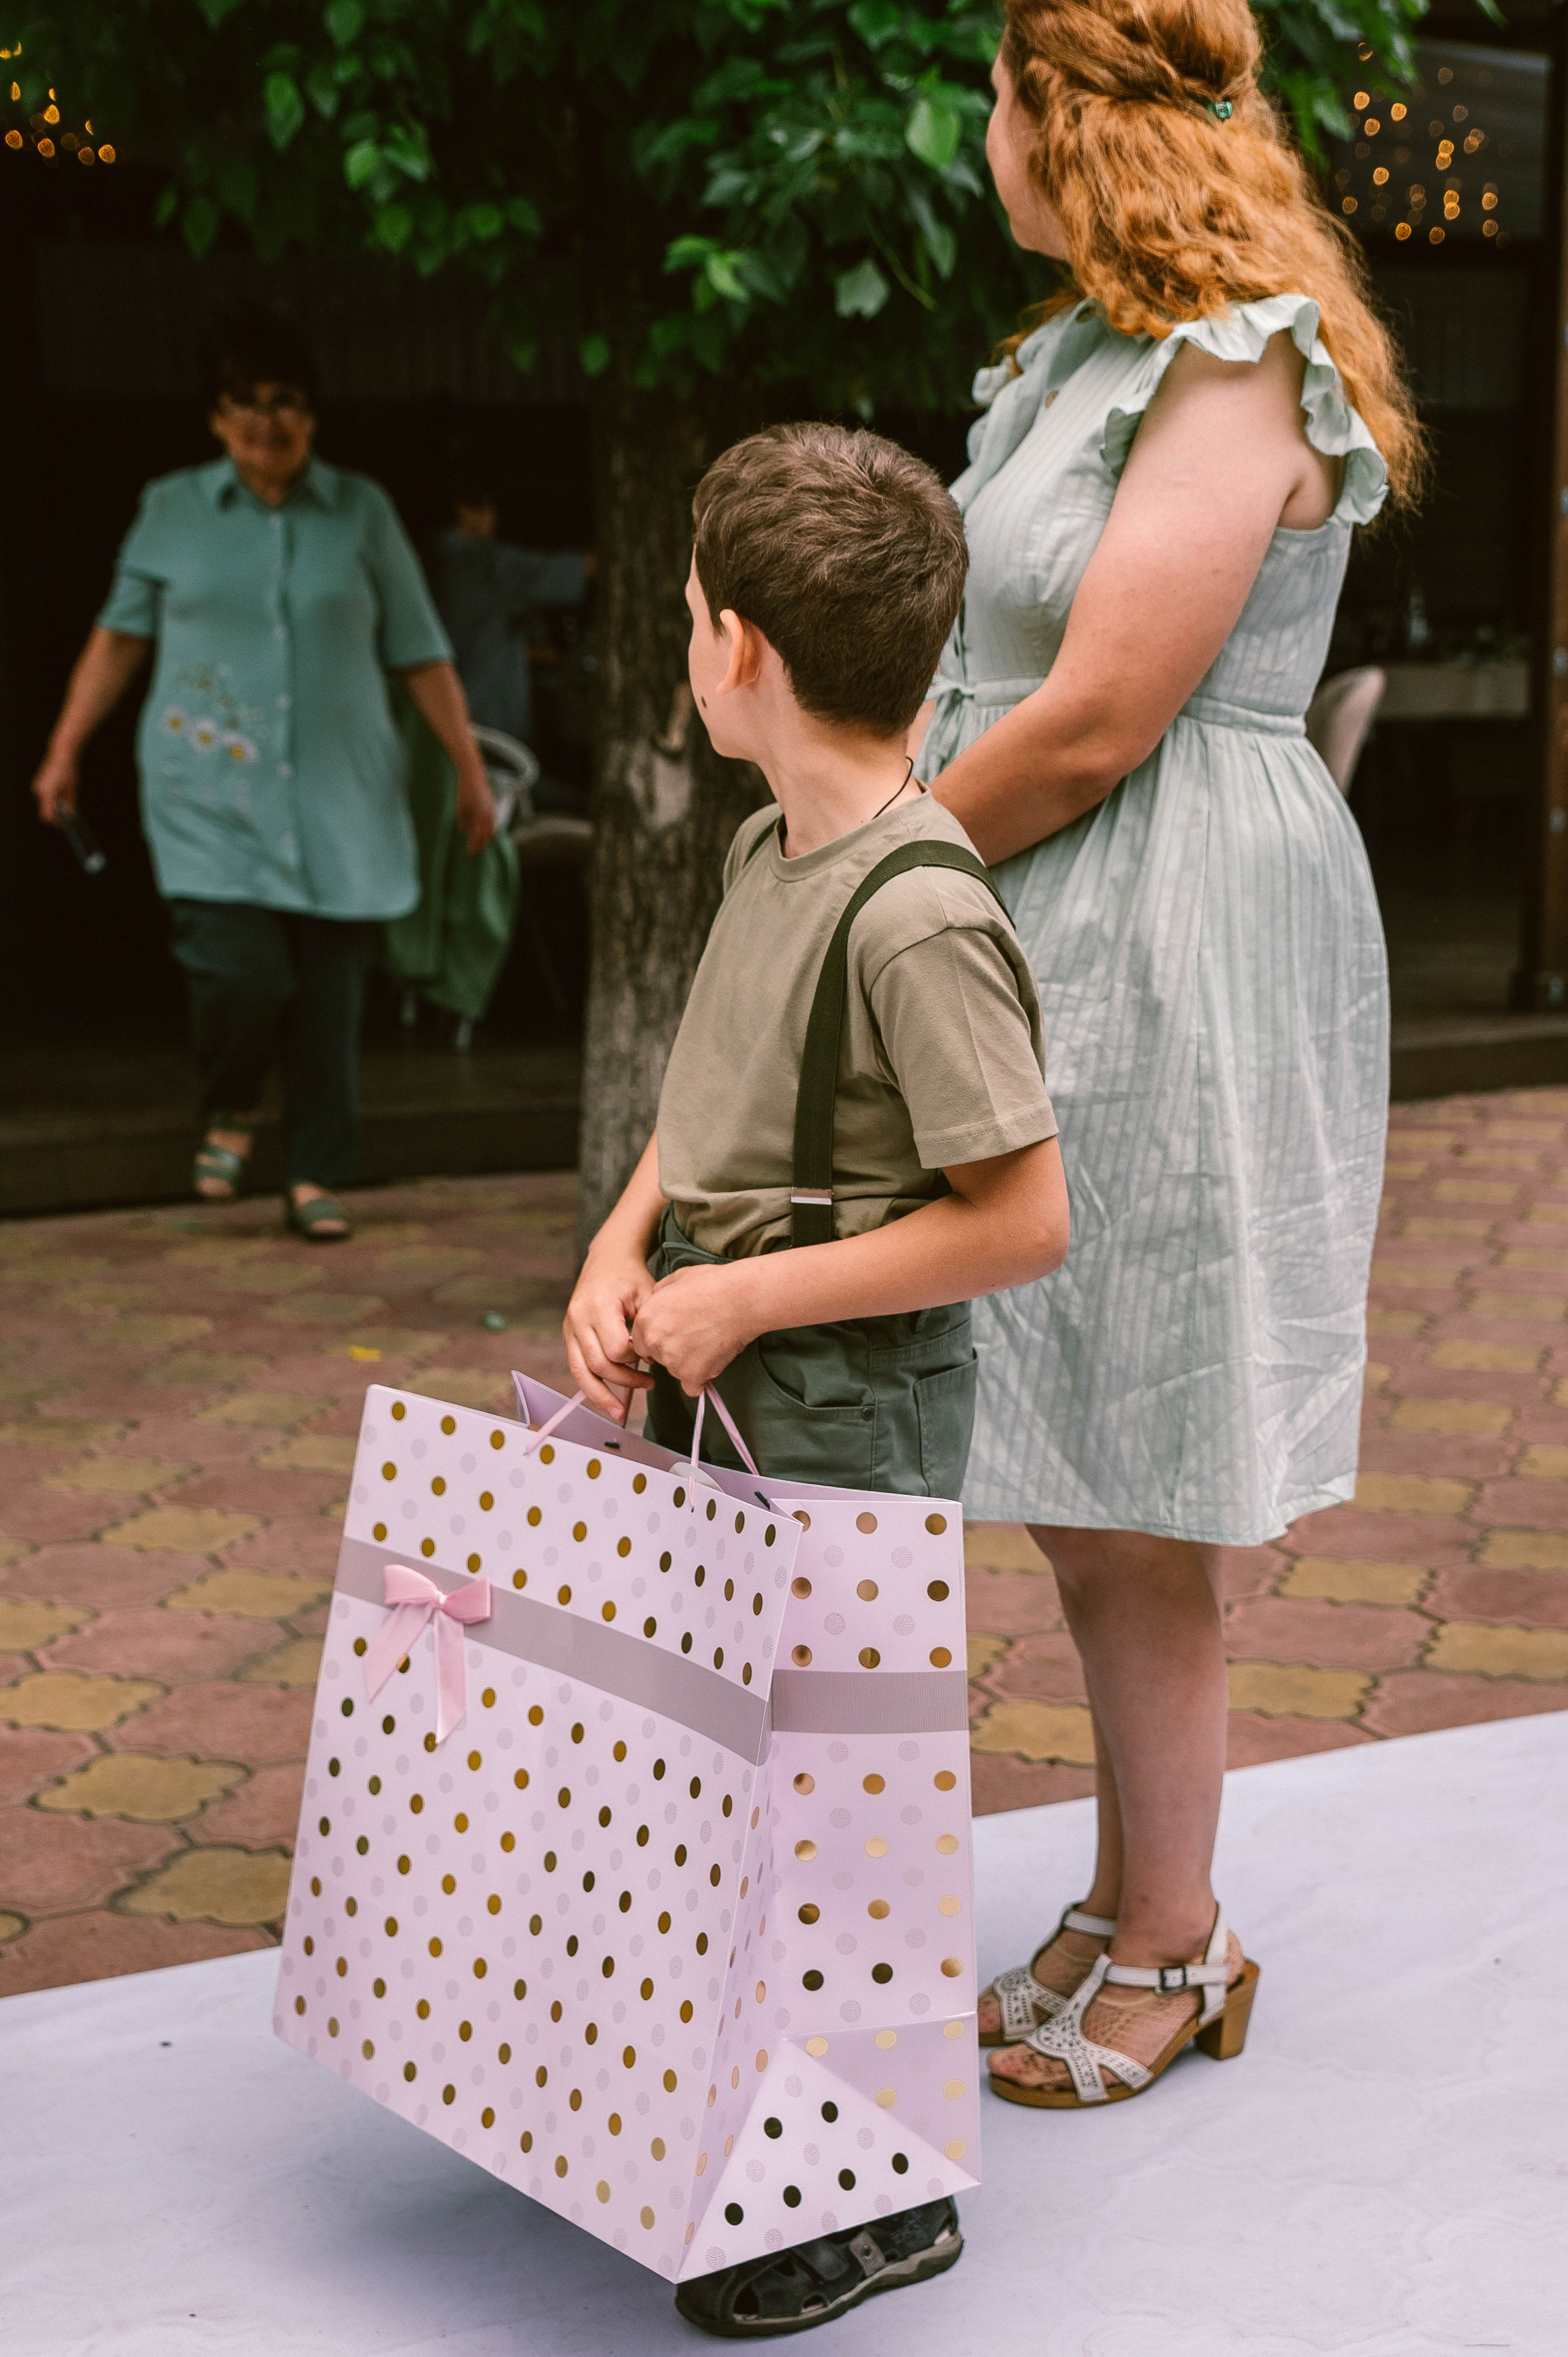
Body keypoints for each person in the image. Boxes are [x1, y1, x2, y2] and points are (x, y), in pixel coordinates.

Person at [912, 0, 1421, 2109]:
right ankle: (1139, 1877)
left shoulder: (1242, 357)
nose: (984, 147)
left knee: (1140, 1455)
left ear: (1070, 125)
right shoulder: (1071, 358)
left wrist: (873, 863)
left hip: (1171, 916)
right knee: (1076, 1434)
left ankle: (1178, 1940)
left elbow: (1109, 706)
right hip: (1052, 911)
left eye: (1000, 108)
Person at [564, 423, 1069, 2334]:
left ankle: (877, 2198)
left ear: (743, 649)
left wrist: (749, 1305)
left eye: (693, 616)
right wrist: (629, 1252)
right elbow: (701, 1113)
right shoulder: (772, 847)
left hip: (839, 1413)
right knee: (746, 1785)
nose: (687, 645)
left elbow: (1022, 1216)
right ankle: (763, 2124)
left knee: (846, 1805)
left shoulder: (917, 906)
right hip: (733, 1388)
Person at [31, 313, 496, 1242]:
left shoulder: (361, 510)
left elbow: (421, 652)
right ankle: (231, 1105)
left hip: (341, 791)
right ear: (215, 418)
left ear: (313, 418)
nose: (266, 422)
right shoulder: (170, 507)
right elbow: (119, 637)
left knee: (330, 996)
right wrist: (65, 747)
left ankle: (318, 1173)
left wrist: (471, 774)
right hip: (210, 787)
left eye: (286, 404)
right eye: (245, 404)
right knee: (241, 978)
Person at [426, 472, 592, 791]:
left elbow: (477, 636)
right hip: (487, 723)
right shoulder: (483, 563)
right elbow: (571, 569)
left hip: (436, 717)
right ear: (466, 509)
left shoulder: (427, 561)